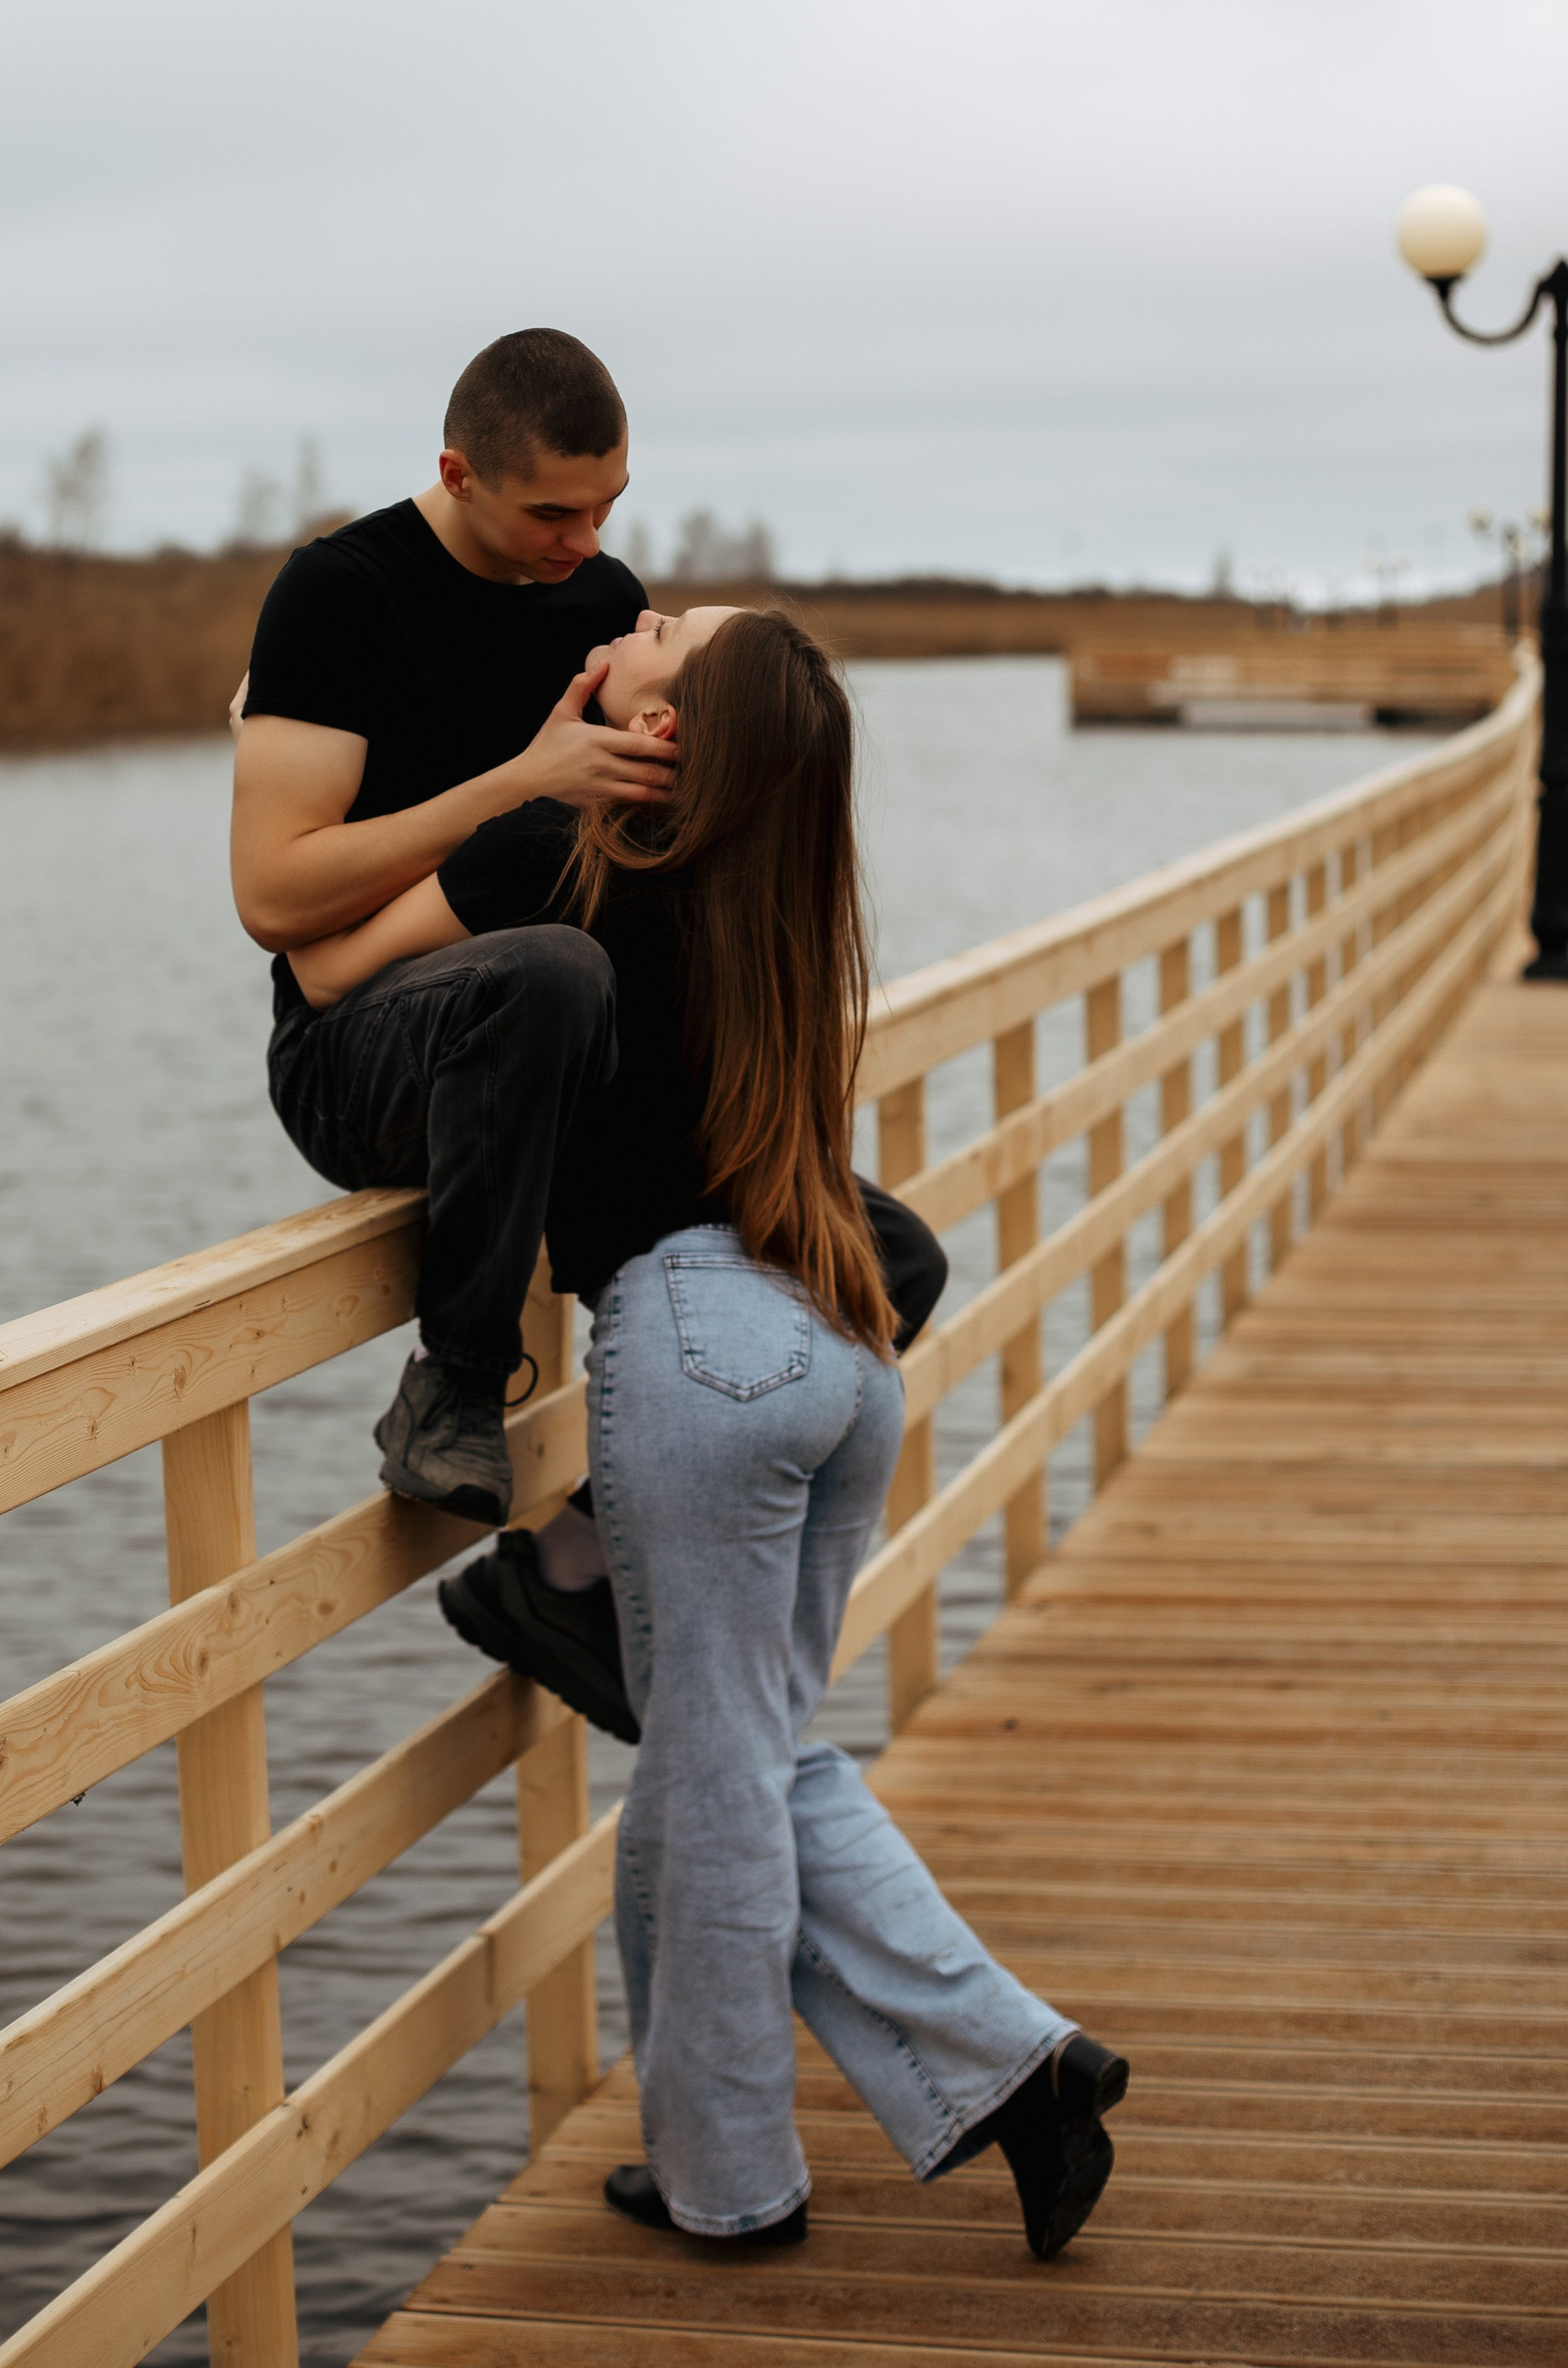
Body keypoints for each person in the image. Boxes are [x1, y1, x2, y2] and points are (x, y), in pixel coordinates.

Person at [286, 603, 1129, 2259]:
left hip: (700, 1349)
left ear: (662, 730)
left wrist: (505, 781)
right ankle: (989, 2085)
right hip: (836, 1341)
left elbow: (325, 967)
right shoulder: (770, 902)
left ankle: (752, 2183)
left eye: (662, 631)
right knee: (737, 1759)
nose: (633, 614)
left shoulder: (559, 848)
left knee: (721, 1783)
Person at [234, 328, 944, 1542]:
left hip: (581, 1053)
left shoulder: (602, 603)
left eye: (609, 505)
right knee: (552, 974)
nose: (589, 545)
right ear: (459, 475)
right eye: (554, 514)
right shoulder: (339, 597)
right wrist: (517, 782)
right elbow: (276, 906)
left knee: (891, 1262)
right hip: (370, 1048)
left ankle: (576, 1571)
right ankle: (458, 1382)